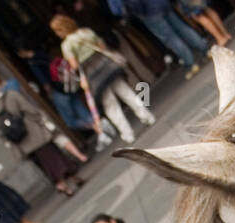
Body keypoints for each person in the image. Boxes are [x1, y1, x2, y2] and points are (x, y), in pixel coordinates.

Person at [51, 13, 156, 144]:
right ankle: (147, 116)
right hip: (105, 65)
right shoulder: (86, 31)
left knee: (109, 104)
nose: (56, 34)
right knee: (125, 91)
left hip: (92, 74)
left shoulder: (67, 45)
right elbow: (102, 46)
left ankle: (127, 133)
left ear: (61, 30)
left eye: (56, 31)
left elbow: (74, 65)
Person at [0, 70, 87, 197]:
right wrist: (40, 119)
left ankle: (61, 185)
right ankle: (72, 178)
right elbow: (29, 109)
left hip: (20, 142)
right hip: (35, 133)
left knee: (43, 164)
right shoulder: (11, 95)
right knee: (55, 157)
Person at [122, 0, 210, 78]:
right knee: (181, 27)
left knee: (170, 38)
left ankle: (190, 63)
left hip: (149, 13)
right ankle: (205, 49)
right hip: (162, 3)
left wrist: (138, 13)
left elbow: (134, 3)